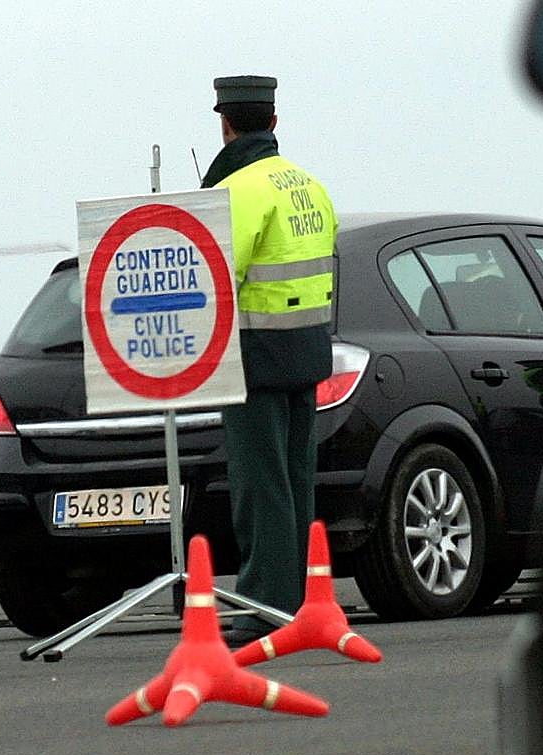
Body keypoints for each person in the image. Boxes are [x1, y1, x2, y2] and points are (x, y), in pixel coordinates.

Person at [200, 76, 339, 648]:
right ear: (274, 122)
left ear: (225, 124)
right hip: (307, 350)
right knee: (297, 481)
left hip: (254, 354)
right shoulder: (309, 185)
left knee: (261, 486)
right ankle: (305, 599)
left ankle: (261, 607)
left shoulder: (239, 191)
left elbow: (216, 277)